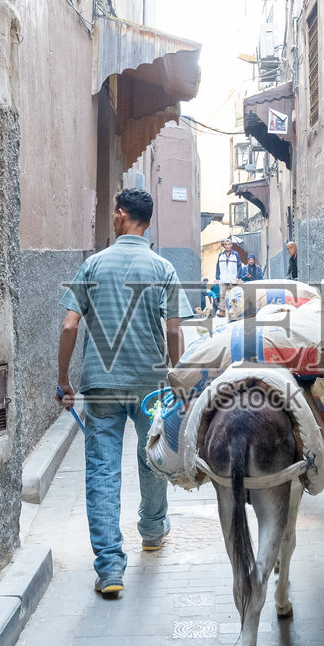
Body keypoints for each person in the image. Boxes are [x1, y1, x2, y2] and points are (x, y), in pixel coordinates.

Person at [58, 189, 192, 598]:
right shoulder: (164, 269)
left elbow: (68, 327)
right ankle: (152, 531)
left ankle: (110, 568)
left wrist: (64, 381)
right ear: (147, 223)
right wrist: (177, 382)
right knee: (152, 458)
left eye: (113, 213)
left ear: (121, 216)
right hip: (150, 385)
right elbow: (173, 330)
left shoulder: (93, 265)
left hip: (100, 384)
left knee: (102, 469)